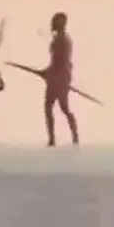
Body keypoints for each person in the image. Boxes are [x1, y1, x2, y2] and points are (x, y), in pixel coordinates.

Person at [40, 12, 79, 147]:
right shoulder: (59, 39)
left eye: (56, 22)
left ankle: (68, 138)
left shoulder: (63, 40)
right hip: (58, 76)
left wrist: (50, 73)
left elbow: (61, 61)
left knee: (60, 107)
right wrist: (48, 72)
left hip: (60, 77)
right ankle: (56, 138)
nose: (53, 24)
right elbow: (56, 61)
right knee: (55, 107)